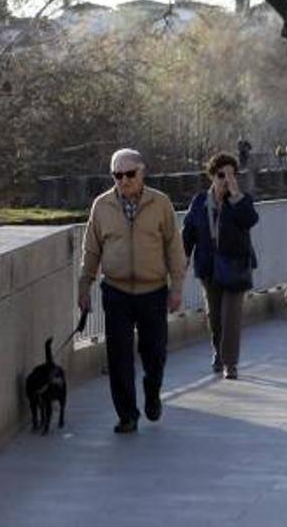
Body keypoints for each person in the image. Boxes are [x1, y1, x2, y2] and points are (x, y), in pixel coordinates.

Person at [78, 148, 186, 433]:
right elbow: (91, 249)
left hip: (153, 290)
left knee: (154, 353)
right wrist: (84, 285)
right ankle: (127, 414)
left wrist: (177, 287)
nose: (123, 181)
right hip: (116, 290)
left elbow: (174, 247)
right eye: (117, 175)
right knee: (119, 356)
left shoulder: (160, 203)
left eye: (129, 174)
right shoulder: (101, 206)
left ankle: (152, 393)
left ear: (142, 173)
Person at [182, 153, 259, 380]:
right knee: (215, 317)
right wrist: (183, 259)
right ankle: (218, 349)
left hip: (235, 266)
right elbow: (188, 232)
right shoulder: (199, 202)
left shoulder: (241, 200)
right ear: (212, 177)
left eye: (231, 175)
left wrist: (236, 195)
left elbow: (250, 220)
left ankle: (230, 363)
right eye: (221, 175)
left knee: (230, 317)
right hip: (209, 267)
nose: (226, 179)